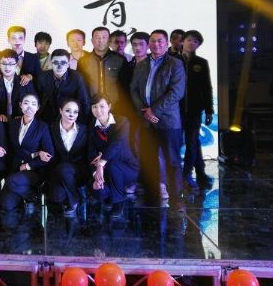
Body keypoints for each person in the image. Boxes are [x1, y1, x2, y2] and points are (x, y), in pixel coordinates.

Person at [130, 29, 186, 211]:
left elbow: (176, 92)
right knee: (149, 159)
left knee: (172, 161)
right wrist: (144, 111)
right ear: (149, 44)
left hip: (168, 121)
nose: (156, 44)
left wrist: (154, 110)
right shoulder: (141, 64)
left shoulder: (175, 64)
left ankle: (176, 198)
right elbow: (133, 90)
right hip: (146, 120)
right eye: (153, 41)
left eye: (160, 41)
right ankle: (152, 194)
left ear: (167, 42)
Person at [0, 94, 54, 212]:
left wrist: (28, 165)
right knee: (6, 204)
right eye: (26, 103)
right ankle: (26, 193)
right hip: (16, 168)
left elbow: (49, 155)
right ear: (20, 105)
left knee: (11, 181)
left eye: (33, 104)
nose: (29, 107)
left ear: (38, 107)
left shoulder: (42, 127)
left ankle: (32, 196)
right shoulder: (13, 124)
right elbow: (10, 148)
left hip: (34, 170)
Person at [88, 93, 139, 219]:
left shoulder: (122, 121)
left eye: (102, 106)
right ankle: (109, 196)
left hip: (127, 168)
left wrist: (101, 161)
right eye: (94, 107)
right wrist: (95, 174)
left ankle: (118, 202)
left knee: (112, 165)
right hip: (105, 170)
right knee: (99, 191)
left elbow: (116, 145)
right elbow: (91, 152)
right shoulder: (91, 126)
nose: (98, 110)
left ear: (109, 106)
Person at [180, 30, 214, 190]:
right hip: (176, 109)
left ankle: (186, 174)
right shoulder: (173, 60)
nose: (191, 43)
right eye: (189, 40)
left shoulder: (201, 63)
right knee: (175, 143)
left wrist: (209, 110)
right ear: (183, 41)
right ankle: (189, 174)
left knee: (192, 142)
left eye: (195, 41)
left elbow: (207, 87)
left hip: (194, 110)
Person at [47, 99, 89, 216]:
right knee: (56, 196)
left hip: (78, 171)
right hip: (58, 171)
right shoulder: (51, 128)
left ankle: (74, 201)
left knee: (64, 168)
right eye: (68, 111)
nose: (71, 115)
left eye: (75, 112)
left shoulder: (84, 129)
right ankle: (72, 190)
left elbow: (89, 151)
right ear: (60, 111)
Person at [78, 26, 127, 109]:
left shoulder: (120, 60)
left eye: (104, 37)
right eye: (97, 37)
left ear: (109, 40)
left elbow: (126, 85)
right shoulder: (83, 61)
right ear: (92, 41)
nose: (100, 41)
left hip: (115, 107)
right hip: (91, 107)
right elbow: (80, 86)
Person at [37, 49, 90, 123]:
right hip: (48, 118)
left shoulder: (77, 77)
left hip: (70, 118)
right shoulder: (42, 77)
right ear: (51, 63)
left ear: (68, 64)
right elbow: (37, 100)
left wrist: (82, 123)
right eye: (56, 62)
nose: (59, 66)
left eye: (63, 63)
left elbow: (84, 101)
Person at [0, 49, 36, 122]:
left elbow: (34, 103)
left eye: (11, 64)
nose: (7, 67)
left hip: (20, 122)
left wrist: (24, 116)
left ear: (16, 65)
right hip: (0, 122)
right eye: (4, 63)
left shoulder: (26, 82)